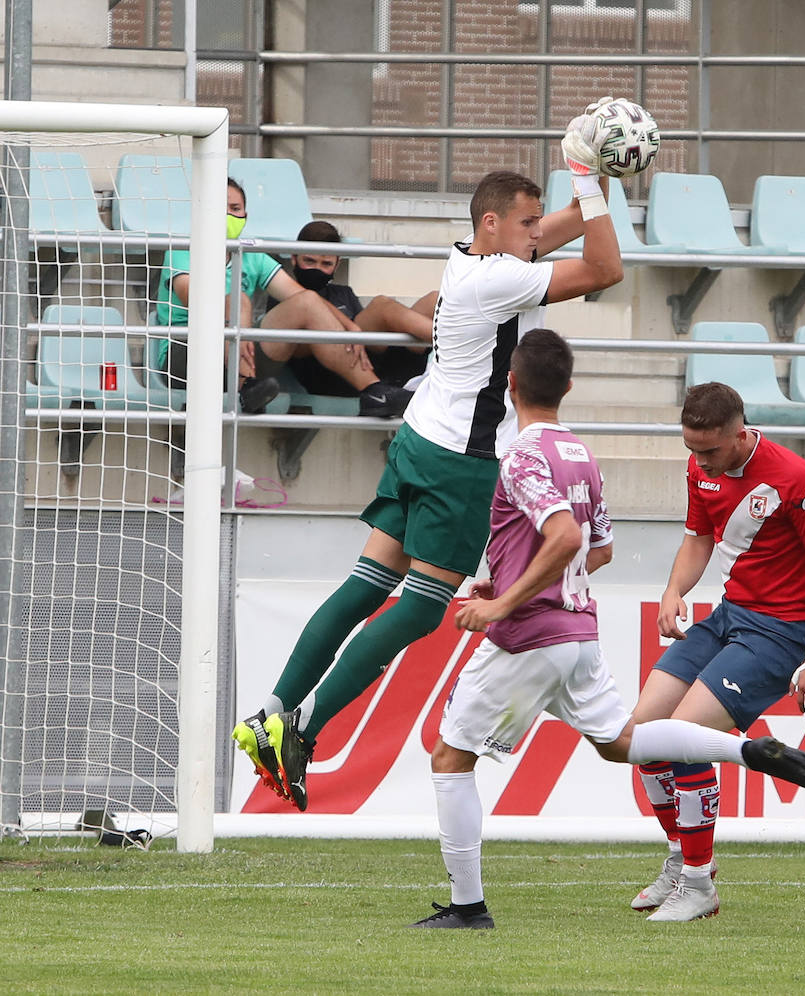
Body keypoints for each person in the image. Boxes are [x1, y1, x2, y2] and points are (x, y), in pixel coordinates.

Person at [231, 101, 627, 812]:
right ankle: (306, 730)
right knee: (418, 612)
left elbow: (567, 231)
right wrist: (591, 185)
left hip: (420, 439)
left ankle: (271, 713)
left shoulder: (478, 258)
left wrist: (594, 176)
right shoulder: (501, 277)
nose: (539, 234)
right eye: (528, 224)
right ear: (492, 225)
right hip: (463, 464)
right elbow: (605, 267)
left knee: (364, 586)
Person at [410, 329, 805, 930]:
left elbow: (565, 539)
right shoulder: (580, 455)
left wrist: (503, 605)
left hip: (526, 637)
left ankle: (467, 907)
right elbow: (598, 550)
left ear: (508, 385)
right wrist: (505, 582)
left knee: (451, 757)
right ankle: (744, 754)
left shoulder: (524, 456)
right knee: (627, 744)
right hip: (578, 635)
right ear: (570, 387)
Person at [628, 381, 805, 922]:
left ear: (740, 432)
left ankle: (700, 887)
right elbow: (698, 536)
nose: (699, 460)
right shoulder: (701, 468)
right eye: (691, 449)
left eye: (709, 449)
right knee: (641, 737)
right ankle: (683, 861)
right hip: (728, 617)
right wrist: (674, 589)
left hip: (780, 634)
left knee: (686, 741)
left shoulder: (798, 480)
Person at [152, 177, 412, 417]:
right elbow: (192, 298)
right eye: (221, 207)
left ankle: (374, 392)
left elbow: (301, 295)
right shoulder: (184, 249)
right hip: (188, 355)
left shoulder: (252, 256)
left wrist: (350, 327)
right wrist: (234, 321)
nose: (229, 214)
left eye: (235, 208)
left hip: (245, 356)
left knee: (307, 302)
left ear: (245, 215)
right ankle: (245, 387)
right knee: (237, 300)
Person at [280, 219, 436, 397]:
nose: (317, 269)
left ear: (337, 264)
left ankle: (452, 346)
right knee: (381, 306)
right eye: (309, 261)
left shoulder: (343, 293)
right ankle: (454, 342)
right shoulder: (284, 295)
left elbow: (367, 338)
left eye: (326, 264)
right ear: (294, 258)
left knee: (434, 300)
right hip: (331, 375)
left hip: (374, 365)